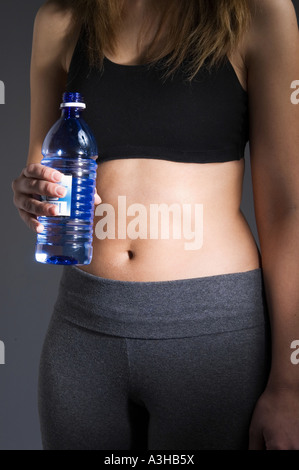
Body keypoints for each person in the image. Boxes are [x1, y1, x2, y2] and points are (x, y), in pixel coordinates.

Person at [11, 0, 299, 450]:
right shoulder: (61, 19)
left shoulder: (258, 12)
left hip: (210, 337)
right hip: (84, 331)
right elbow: (44, 171)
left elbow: (288, 208)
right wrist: (31, 195)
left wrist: (291, 383)